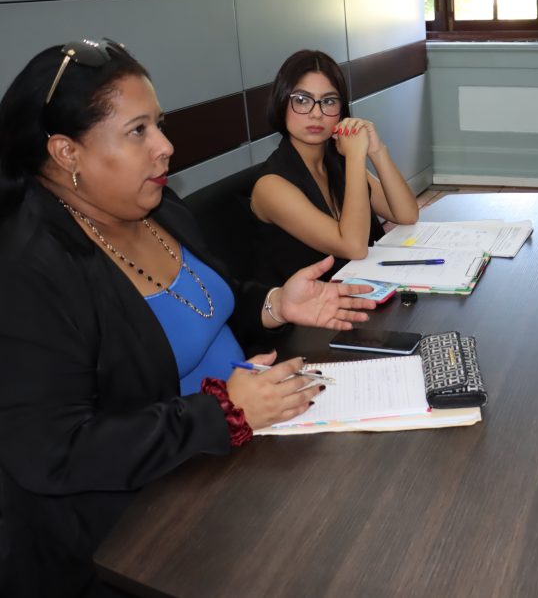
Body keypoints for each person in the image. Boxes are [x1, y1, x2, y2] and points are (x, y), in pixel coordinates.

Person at [0, 39, 378, 596]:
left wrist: (276, 304)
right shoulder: (30, 270)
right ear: (66, 152)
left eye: (160, 124)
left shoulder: (158, 209)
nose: (166, 147)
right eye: (138, 131)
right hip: (138, 531)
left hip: (240, 454)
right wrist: (223, 412)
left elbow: (210, 301)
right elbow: (55, 452)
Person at [250, 49, 419, 284]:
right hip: (314, 303)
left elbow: (406, 214)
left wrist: (377, 151)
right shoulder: (271, 186)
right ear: (282, 103)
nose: (316, 114)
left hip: (365, 286)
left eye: (328, 101)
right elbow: (353, 247)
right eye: (302, 100)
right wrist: (356, 156)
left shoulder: (336, 160)